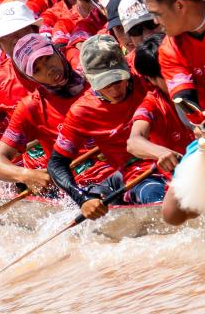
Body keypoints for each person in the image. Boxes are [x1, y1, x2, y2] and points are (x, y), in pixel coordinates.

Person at [48, 35, 167, 220]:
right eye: (104, 84)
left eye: (118, 80)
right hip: (140, 176)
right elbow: (56, 164)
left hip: (175, 156)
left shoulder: (143, 72)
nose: (114, 90)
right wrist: (82, 199)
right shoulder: (82, 111)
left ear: (126, 67)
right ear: (90, 80)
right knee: (154, 194)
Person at [0, 33, 93, 194]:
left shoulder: (93, 72)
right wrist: (26, 175)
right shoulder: (32, 107)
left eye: (48, 58)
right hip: (82, 186)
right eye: (37, 69)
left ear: (57, 51)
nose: (49, 70)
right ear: (30, 77)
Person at [0, 1, 39, 157]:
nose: (17, 41)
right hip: (33, 162)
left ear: (35, 30)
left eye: (22, 32)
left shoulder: (66, 59)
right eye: (8, 37)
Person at [128, 33, 195, 172]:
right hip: (187, 173)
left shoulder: (198, 77)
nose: (178, 76)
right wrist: (161, 152)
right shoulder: (152, 104)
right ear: (151, 79)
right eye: (167, 74)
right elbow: (133, 142)